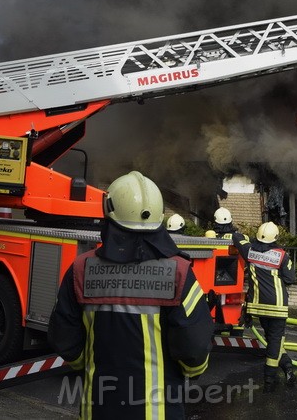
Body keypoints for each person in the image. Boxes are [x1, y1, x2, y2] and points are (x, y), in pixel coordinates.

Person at [48, 171, 213, 419]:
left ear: (108, 211)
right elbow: (195, 349)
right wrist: (190, 371)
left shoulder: (81, 269)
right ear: (159, 216)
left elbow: (64, 339)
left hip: (98, 409)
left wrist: (89, 363)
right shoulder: (178, 273)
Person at [232, 221, 296, 392]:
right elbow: (290, 279)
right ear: (275, 238)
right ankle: (269, 380)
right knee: (275, 342)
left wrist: (243, 235)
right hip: (278, 307)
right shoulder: (282, 256)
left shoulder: (249, 251)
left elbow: (237, 238)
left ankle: (288, 367)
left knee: (273, 340)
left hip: (258, 307)